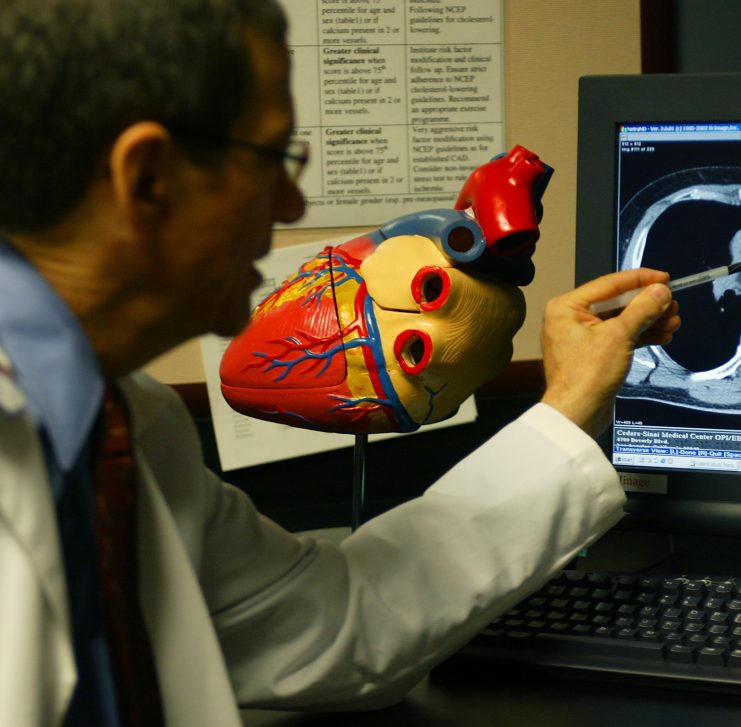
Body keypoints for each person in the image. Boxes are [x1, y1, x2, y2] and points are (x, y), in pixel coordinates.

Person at [0, 1, 681, 725]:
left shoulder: (130, 432)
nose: (292, 204)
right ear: (148, 179)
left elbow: (339, 620)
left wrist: (567, 404)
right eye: (273, 160)